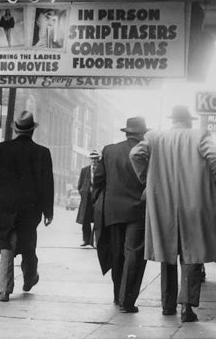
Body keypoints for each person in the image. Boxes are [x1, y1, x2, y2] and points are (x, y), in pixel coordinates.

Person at [129, 105, 216, 323]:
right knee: (192, 254)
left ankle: (167, 305)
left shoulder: (155, 136)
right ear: (189, 120)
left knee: (167, 254)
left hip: (162, 200)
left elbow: (136, 154)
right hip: (194, 200)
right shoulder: (199, 135)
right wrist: (212, 179)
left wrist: (147, 178)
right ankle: (187, 307)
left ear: (172, 119)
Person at [0, 111, 54, 302]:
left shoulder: (1, 149)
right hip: (30, 210)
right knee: (28, 245)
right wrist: (48, 211)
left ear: (16, 129)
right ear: (32, 130)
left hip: (6, 207)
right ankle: (30, 278)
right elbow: (47, 184)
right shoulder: (42, 153)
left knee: (6, 244)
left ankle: (3, 290)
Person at [93, 117, 149, 313]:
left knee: (116, 254)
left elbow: (98, 179)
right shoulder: (147, 151)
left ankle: (118, 295)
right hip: (138, 209)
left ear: (126, 132)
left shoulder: (109, 150)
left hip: (113, 210)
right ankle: (127, 300)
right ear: (142, 133)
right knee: (134, 253)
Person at [76, 150, 99, 247]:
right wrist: (84, 192)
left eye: (95, 158)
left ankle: (96, 242)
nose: (94, 160)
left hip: (98, 199)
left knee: (98, 221)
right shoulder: (85, 170)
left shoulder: (102, 170)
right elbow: (80, 184)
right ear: (90, 159)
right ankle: (86, 240)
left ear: (98, 159)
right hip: (87, 200)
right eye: (92, 158)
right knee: (85, 220)